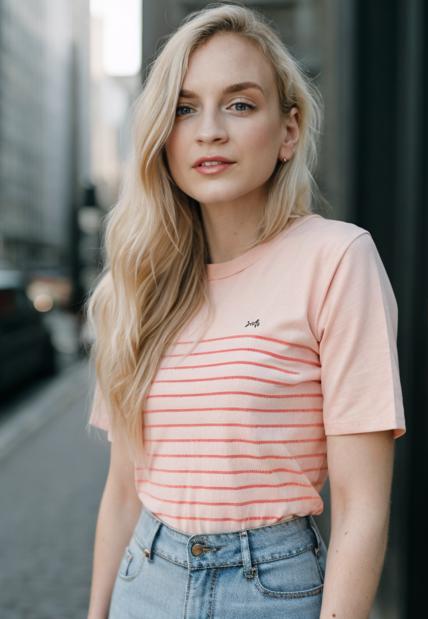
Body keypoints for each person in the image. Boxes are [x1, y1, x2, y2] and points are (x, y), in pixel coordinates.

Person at [85, 3, 406, 618]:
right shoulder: (143, 281)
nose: (209, 130)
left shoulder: (336, 258)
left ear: (288, 132)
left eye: (240, 104)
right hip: (143, 578)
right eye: (184, 108)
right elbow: (123, 490)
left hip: (273, 591)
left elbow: (363, 505)